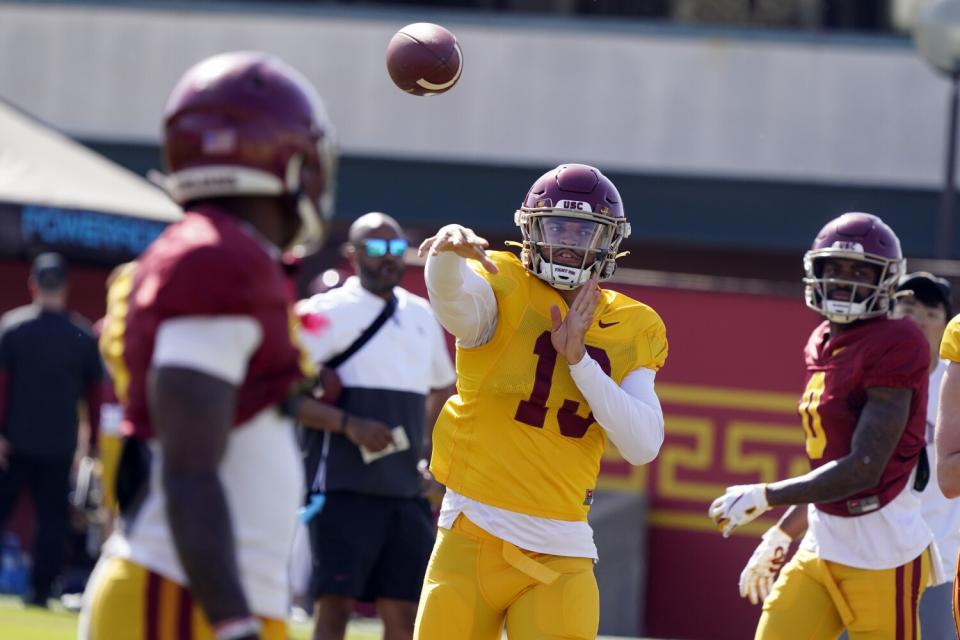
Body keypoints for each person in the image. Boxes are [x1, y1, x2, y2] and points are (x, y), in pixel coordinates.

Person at [80, 51, 338, 640]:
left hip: (216, 591)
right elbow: (190, 466)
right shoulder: (216, 258)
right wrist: (232, 623)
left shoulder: (231, 255)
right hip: (183, 595)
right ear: (285, 159)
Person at [413, 163, 668, 640]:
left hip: (561, 548)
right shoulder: (502, 283)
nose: (568, 243)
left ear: (609, 242)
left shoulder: (634, 323)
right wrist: (445, 254)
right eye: (557, 227)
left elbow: (643, 444)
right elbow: (453, 303)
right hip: (471, 534)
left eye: (583, 231)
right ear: (530, 229)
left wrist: (579, 362)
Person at [713, 212, 936, 639]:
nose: (845, 280)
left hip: (881, 548)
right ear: (816, 271)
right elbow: (831, 464)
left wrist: (767, 495)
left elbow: (863, 467)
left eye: (860, 270)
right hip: (823, 540)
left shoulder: (898, 341)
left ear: (886, 279)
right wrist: (781, 535)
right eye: (835, 268)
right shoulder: (822, 339)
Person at [295, 211, 456, 640]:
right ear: (352, 254)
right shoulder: (322, 312)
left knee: (405, 616)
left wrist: (429, 459)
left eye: (395, 248)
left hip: (405, 492)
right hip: (342, 488)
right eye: (374, 247)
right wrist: (348, 423)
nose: (387, 258)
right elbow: (277, 394)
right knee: (334, 610)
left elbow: (443, 389)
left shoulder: (422, 313)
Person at [0, 252, 103, 607]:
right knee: (52, 523)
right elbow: (95, 400)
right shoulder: (83, 335)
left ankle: (41, 590)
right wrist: (90, 446)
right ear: (67, 287)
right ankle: (40, 592)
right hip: (58, 447)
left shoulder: (13, 327)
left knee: (43, 520)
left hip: (12, 443)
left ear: (32, 284)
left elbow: (0, 387)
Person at [893, 272, 957, 640]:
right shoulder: (867, 373)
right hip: (871, 555)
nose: (917, 317)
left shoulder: (954, 380)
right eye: (907, 305)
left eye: (931, 310)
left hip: (938, 561)